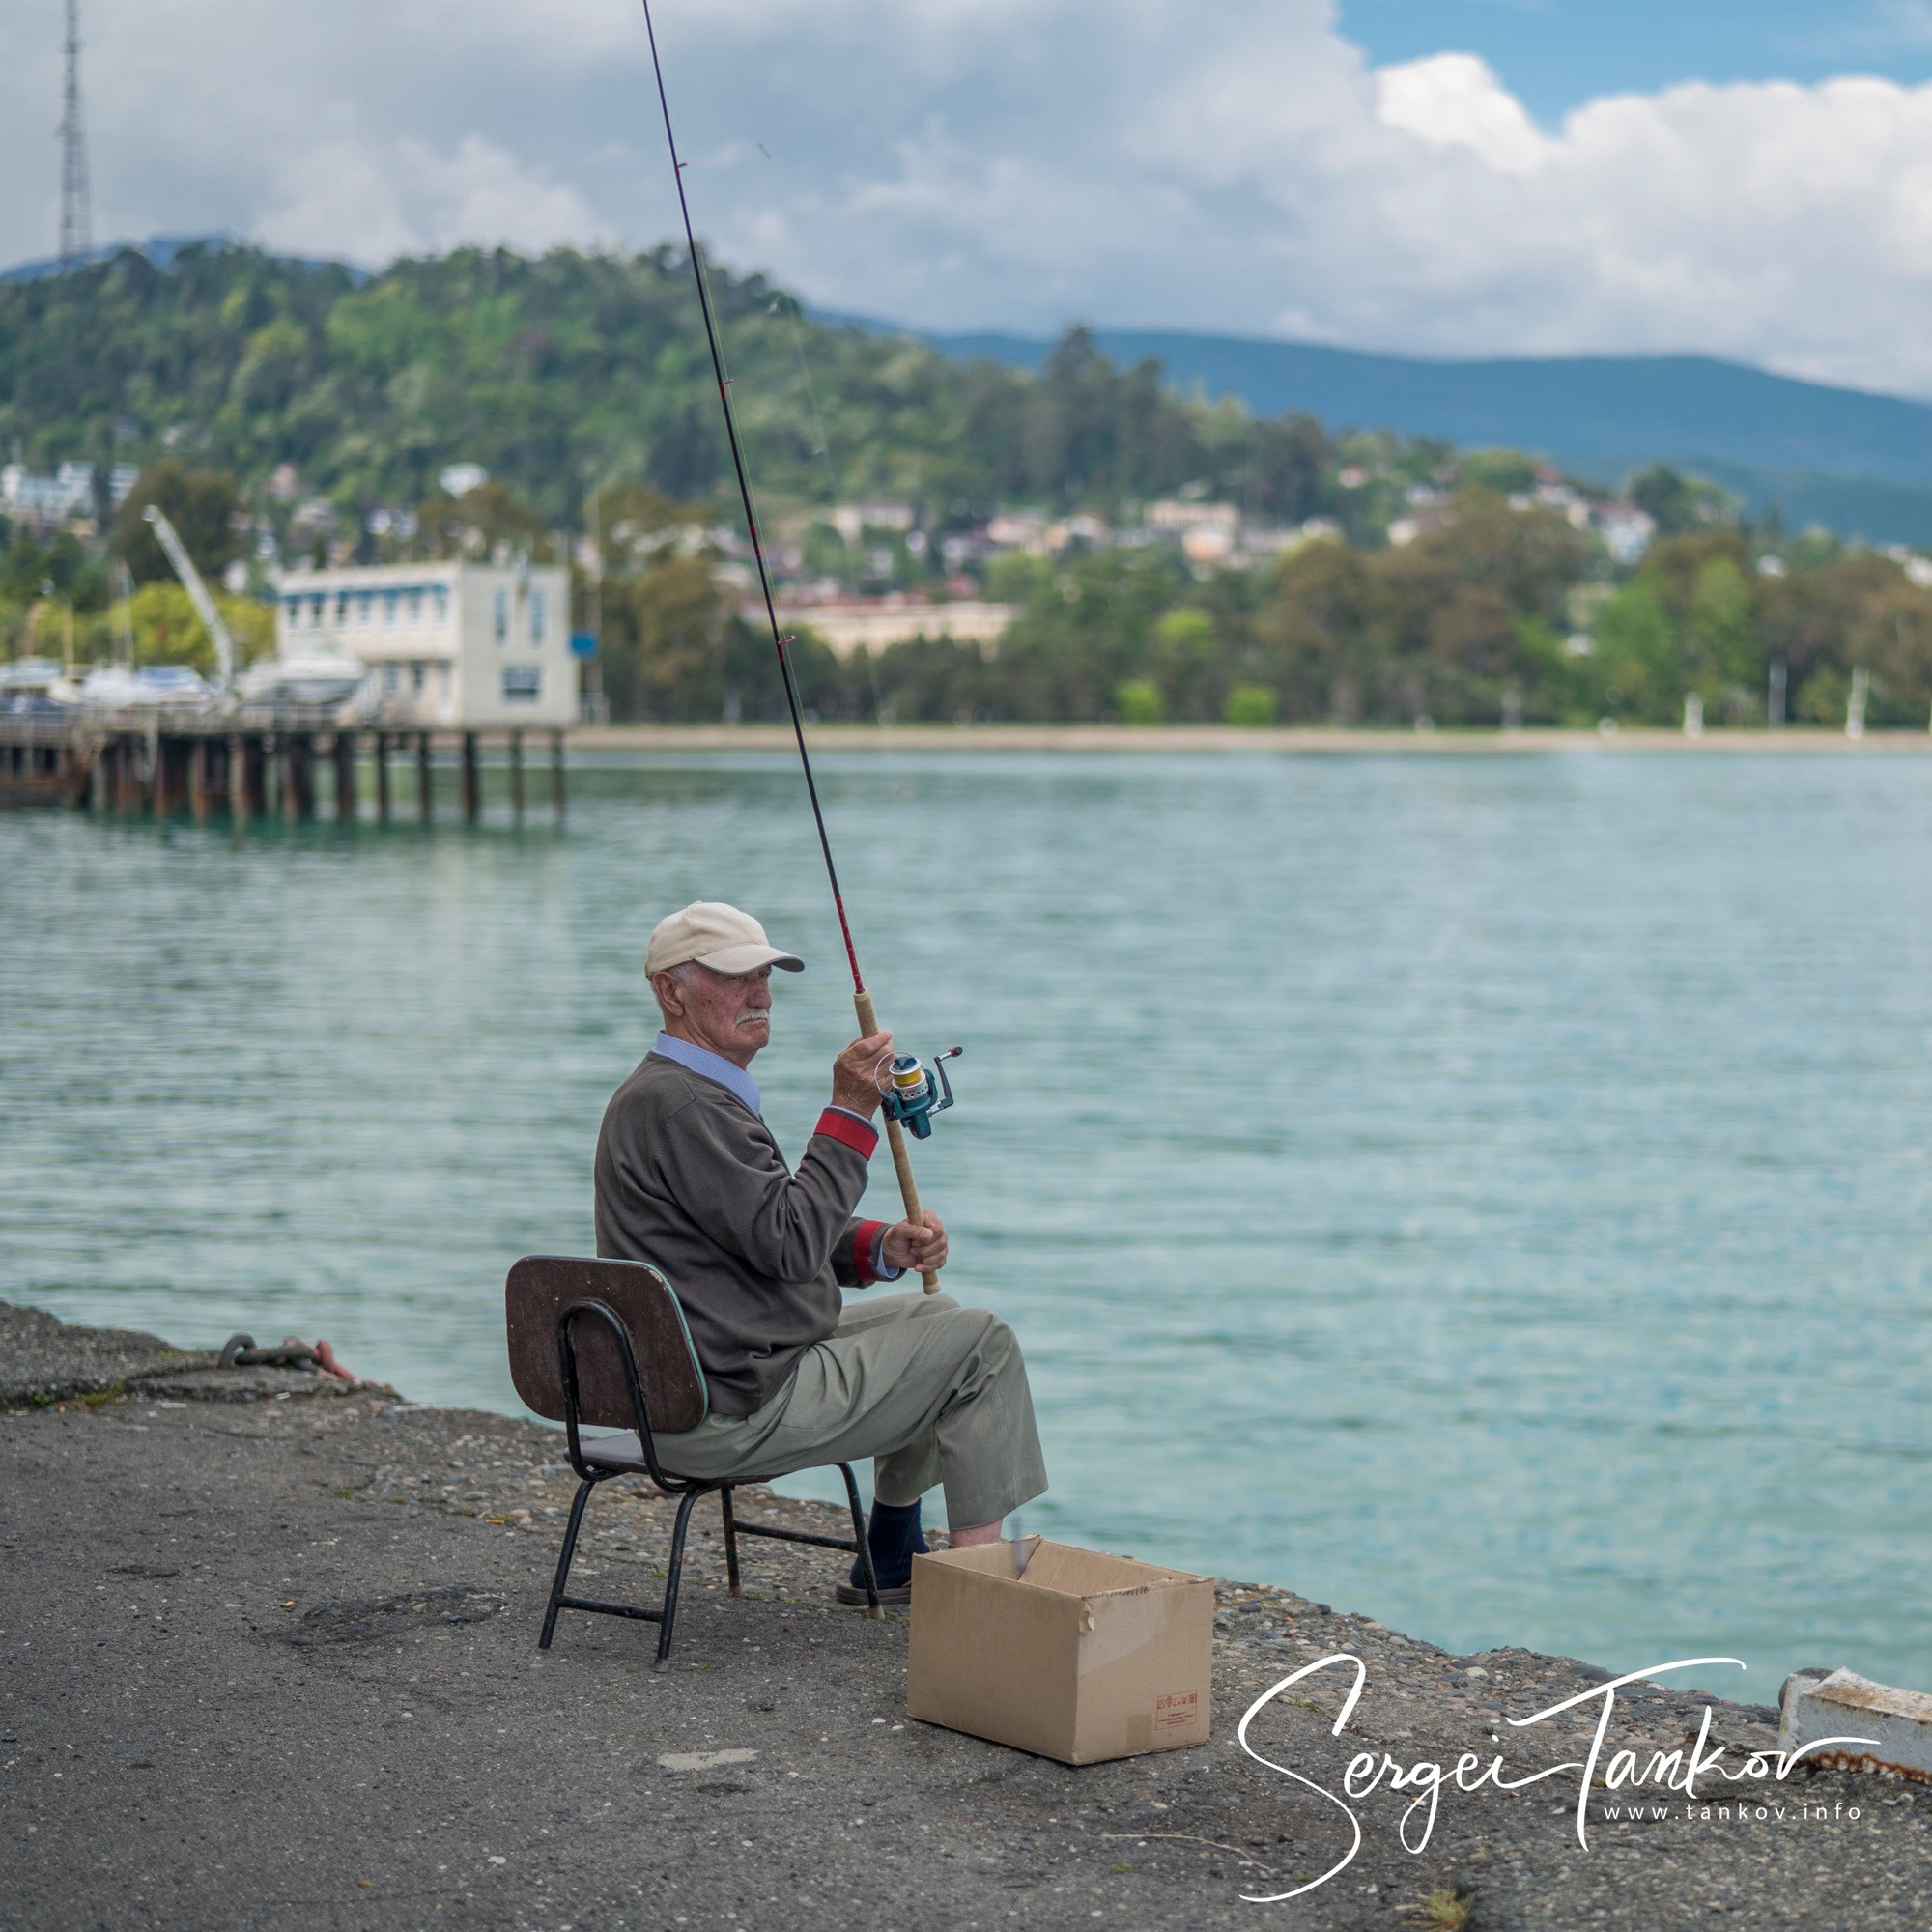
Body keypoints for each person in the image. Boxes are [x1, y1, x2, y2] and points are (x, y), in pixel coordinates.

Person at [593, 900, 1047, 1603]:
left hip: (714, 1376)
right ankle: (980, 1603)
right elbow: (787, 1241)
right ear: (670, 991)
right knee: (980, 1344)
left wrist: (881, 1246)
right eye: (735, 978)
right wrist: (849, 1110)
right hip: (730, 1406)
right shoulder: (685, 1105)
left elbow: (758, 1225)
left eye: (764, 977)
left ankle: (891, 1557)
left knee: (940, 1317)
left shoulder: (681, 1093)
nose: (761, 995)